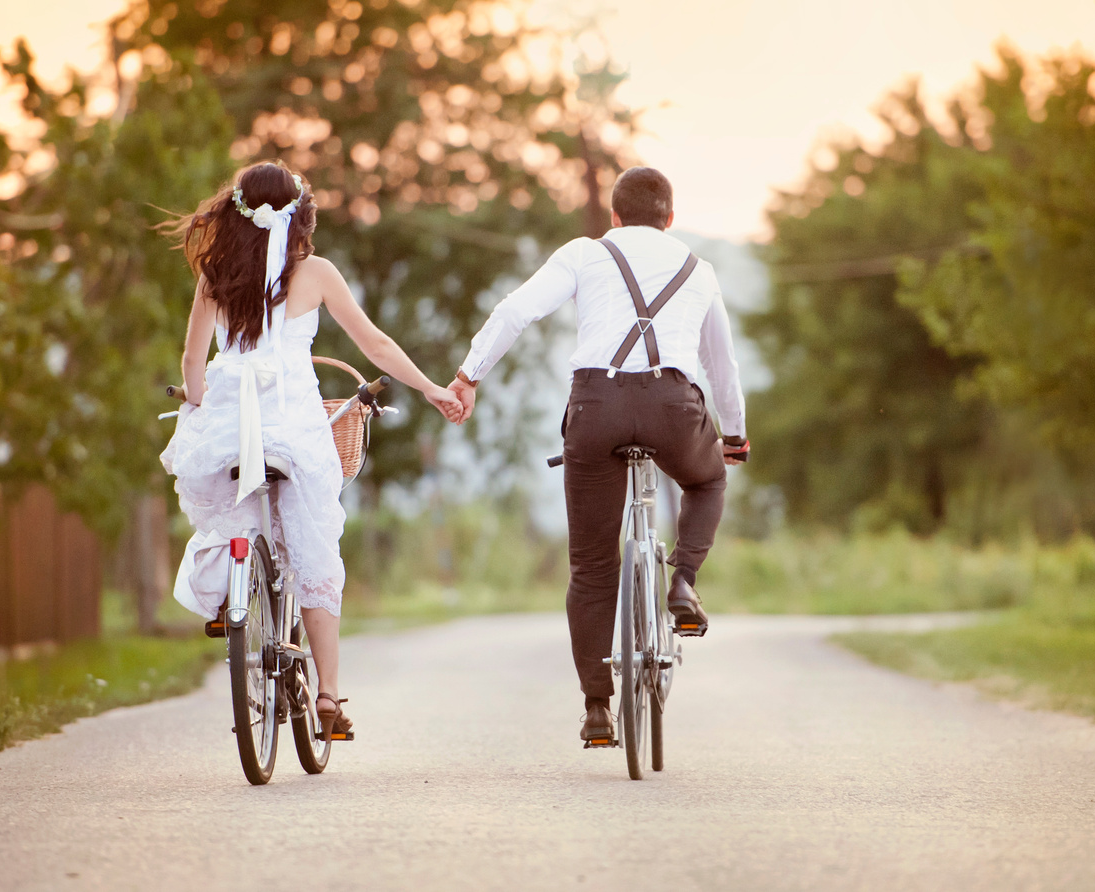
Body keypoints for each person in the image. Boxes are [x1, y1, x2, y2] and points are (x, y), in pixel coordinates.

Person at [161, 160, 462, 740]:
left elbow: (193, 364)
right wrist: (430, 388)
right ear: (299, 216)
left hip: (230, 424)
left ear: (236, 213)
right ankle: (327, 695)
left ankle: (235, 595)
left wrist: (196, 407)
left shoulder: (212, 276)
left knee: (233, 523)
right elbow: (373, 342)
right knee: (315, 555)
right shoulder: (317, 273)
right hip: (295, 429)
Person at [447, 166, 749, 744]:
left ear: (614, 215)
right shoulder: (699, 269)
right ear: (669, 219)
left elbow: (516, 310)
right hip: (672, 408)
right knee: (708, 483)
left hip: (595, 407)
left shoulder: (585, 254)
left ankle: (596, 710)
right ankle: (683, 582)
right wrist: (732, 436)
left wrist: (469, 375)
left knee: (590, 566)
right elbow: (721, 365)